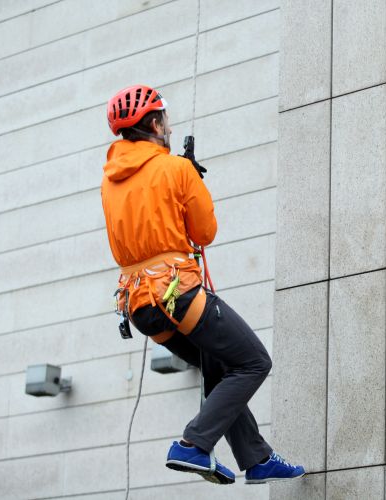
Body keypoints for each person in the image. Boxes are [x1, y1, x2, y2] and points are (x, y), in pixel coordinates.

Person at [101, 84, 305, 485]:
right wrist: (191, 180)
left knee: (218, 362)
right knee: (253, 362)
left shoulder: (110, 182)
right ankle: (193, 443)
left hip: (140, 305)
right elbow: (205, 232)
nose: (169, 126)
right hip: (177, 292)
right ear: (155, 124)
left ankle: (256, 457)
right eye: (165, 119)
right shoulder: (175, 169)